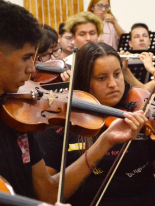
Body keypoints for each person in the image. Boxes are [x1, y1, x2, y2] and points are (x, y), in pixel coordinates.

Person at [0, 1, 147, 204]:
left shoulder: (20, 115)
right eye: (26, 57)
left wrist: (105, 141)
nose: (32, 69)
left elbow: (49, 194)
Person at [36, 41, 155, 206]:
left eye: (117, 74)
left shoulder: (141, 112)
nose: (113, 84)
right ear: (83, 81)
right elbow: (50, 194)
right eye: (102, 78)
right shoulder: (62, 124)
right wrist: (102, 144)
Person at [61, 11, 103, 81]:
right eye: (82, 34)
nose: (88, 38)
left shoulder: (107, 59)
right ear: (73, 37)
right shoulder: (67, 64)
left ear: (98, 35)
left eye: (92, 33)